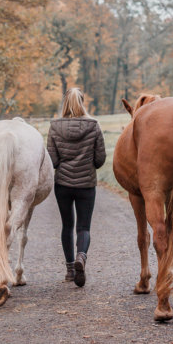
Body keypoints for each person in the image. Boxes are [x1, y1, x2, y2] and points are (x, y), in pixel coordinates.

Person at [47, 87, 106, 287]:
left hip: (62, 184)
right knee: (83, 227)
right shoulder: (94, 126)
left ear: (65, 103)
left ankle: (70, 270)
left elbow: (52, 161)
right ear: (82, 102)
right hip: (86, 185)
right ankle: (82, 256)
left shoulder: (54, 127)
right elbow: (100, 160)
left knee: (67, 226)